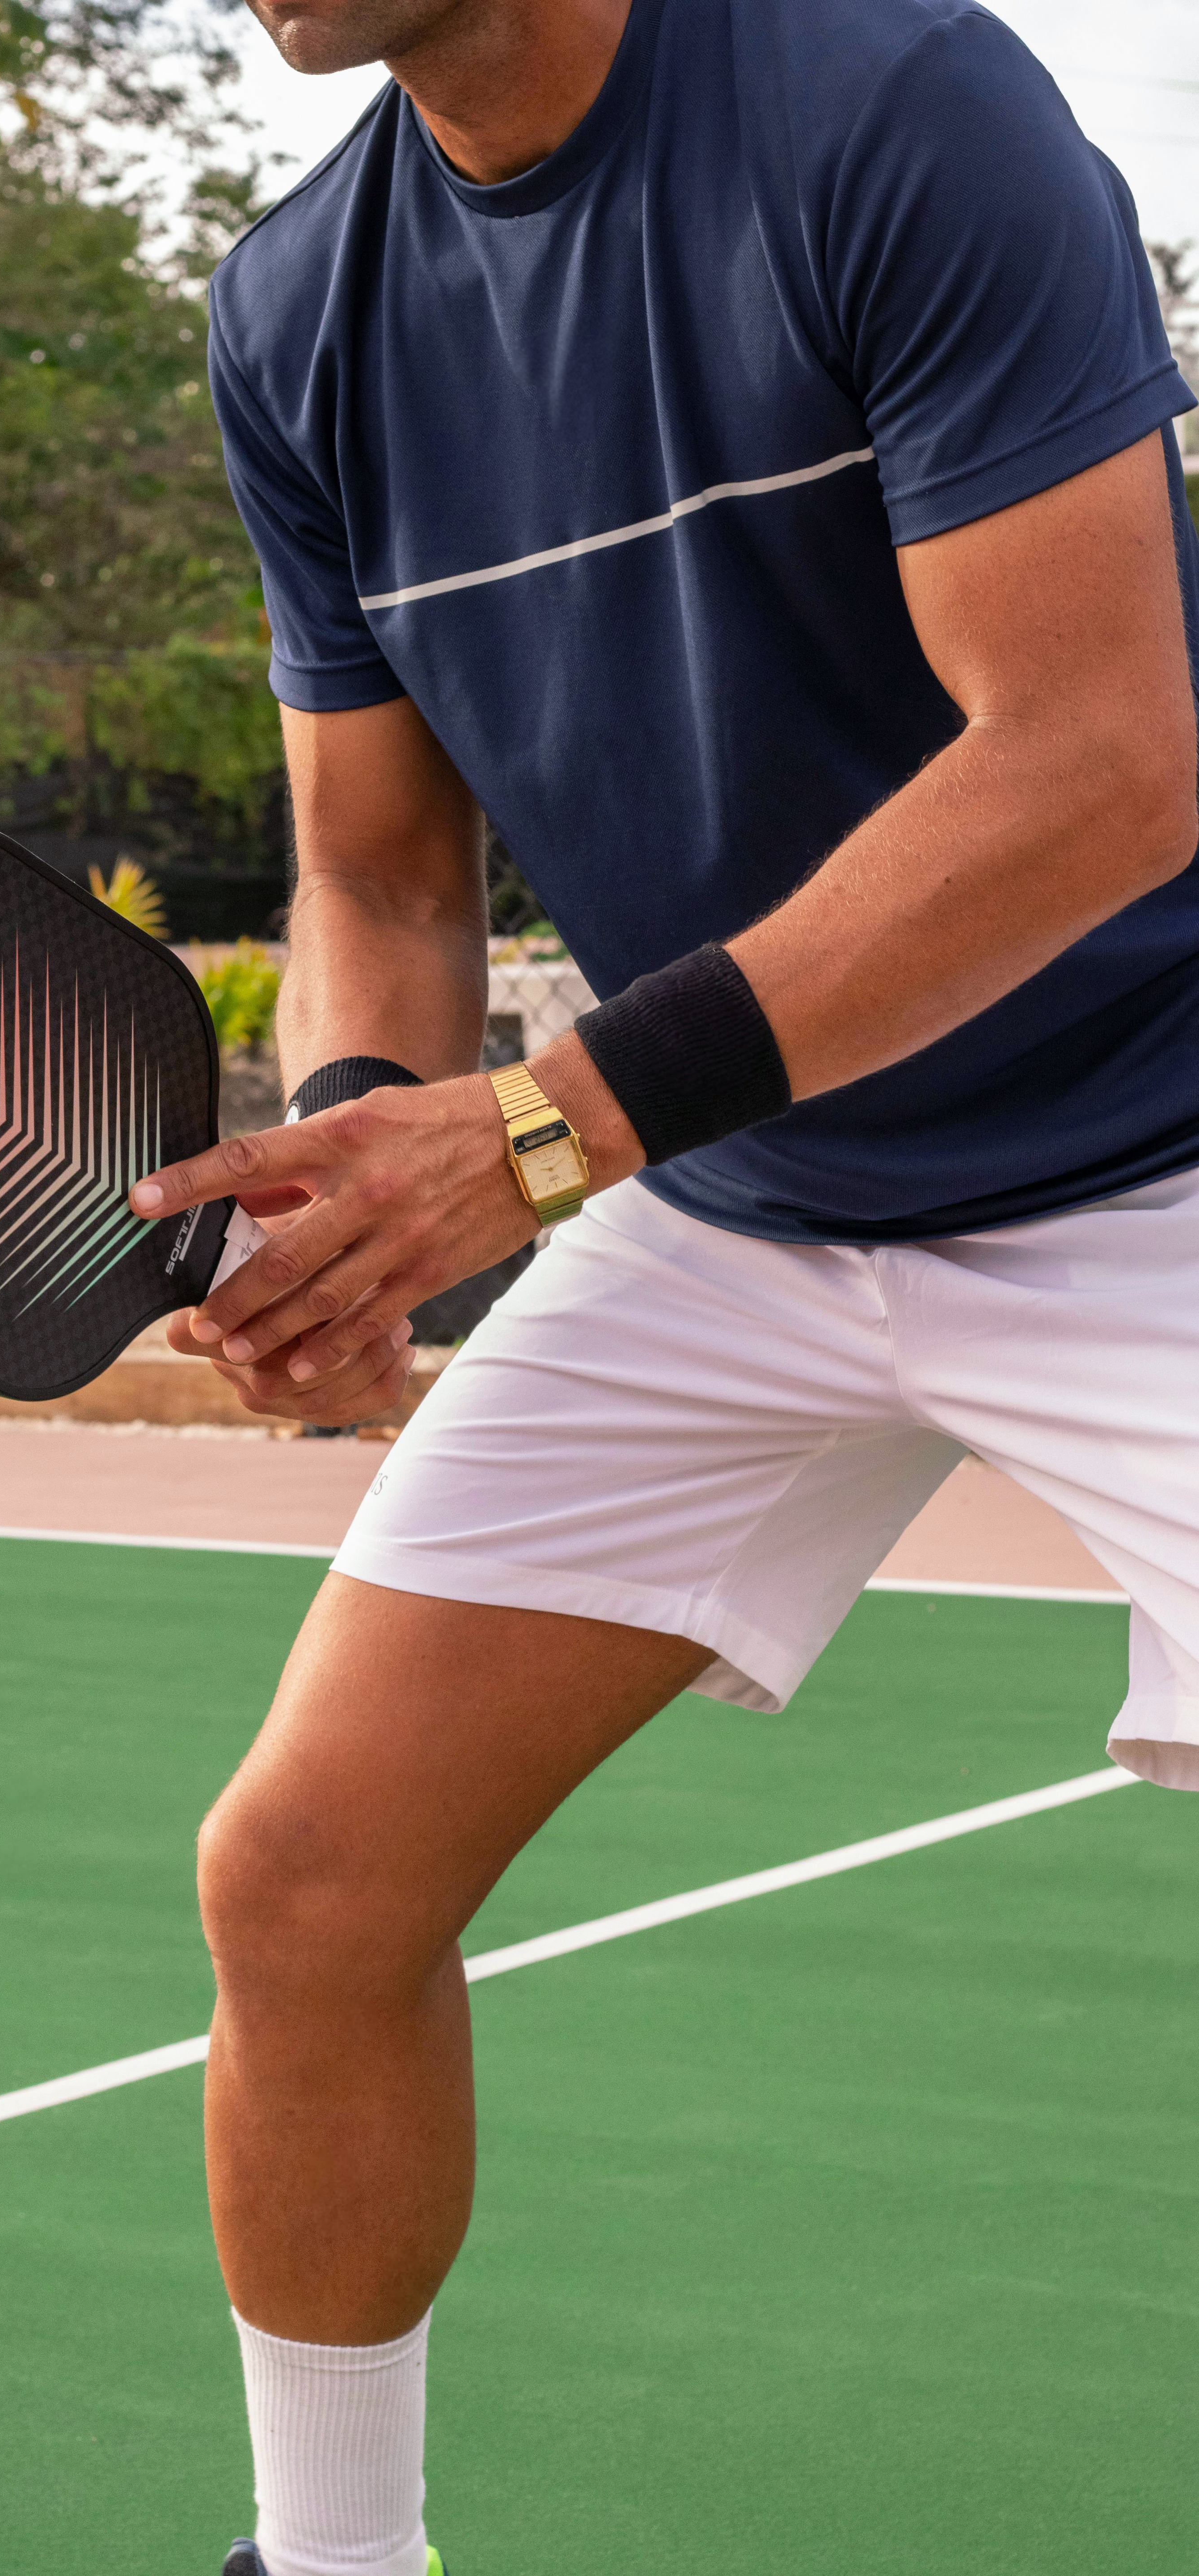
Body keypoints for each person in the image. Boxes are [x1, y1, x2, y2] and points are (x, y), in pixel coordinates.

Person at [125, 0, 1199, 2563]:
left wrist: (536, 1134)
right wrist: (356, 1184)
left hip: (1160, 1144)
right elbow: (379, 867)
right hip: (736, 1198)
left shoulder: (886, 108)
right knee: (306, 1879)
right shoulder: (299, 311)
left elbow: (1100, 755)